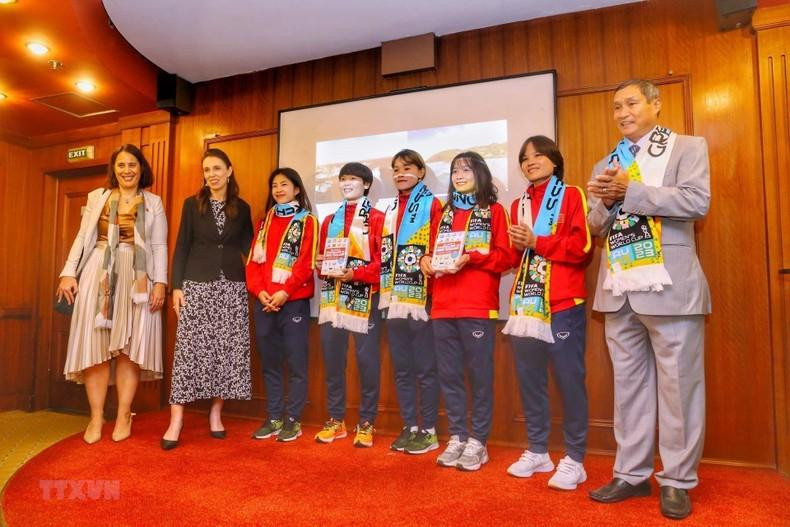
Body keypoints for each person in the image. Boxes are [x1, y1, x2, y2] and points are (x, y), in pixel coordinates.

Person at [585, 79, 711, 519]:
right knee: (629, 388)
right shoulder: (607, 161)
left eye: (631, 103)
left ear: (655, 104)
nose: (622, 112)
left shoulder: (687, 147)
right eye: (616, 105)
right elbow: (596, 226)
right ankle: (631, 474)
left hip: (670, 289)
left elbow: (697, 201)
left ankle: (677, 480)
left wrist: (629, 192)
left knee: (680, 389)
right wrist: (601, 200)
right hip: (620, 290)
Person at [56, 144, 167, 444]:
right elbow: (82, 237)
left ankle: (122, 414)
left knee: (129, 350)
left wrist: (161, 282)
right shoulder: (98, 197)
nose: (127, 170)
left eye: (132, 164)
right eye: (121, 165)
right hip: (99, 269)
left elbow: (159, 245)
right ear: (114, 169)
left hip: (138, 276)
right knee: (96, 349)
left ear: (141, 168)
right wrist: (68, 272)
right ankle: (95, 417)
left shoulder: (154, 202)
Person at [503, 136, 592, 489]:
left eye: (538, 155)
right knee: (531, 382)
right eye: (525, 158)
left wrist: (538, 241)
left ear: (555, 160)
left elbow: (582, 248)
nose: (530, 162)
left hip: (563, 305)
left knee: (570, 383)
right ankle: (538, 451)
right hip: (525, 307)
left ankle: (575, 458)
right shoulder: (517, 204)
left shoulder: (571, 195)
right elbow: (514, 259)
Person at [420, 151, 511, 471]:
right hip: (442, 307)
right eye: (455, 170)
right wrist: (426, 262)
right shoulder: (443, 214)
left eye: (466, 169)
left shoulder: (495, 211)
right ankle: (458, 435)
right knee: (450, 375)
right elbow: (429, 253)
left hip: (478, 305)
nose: (459, 175)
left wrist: (472, 257)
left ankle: (478, 441)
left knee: (480, 376)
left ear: (480, 174)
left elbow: (506, 258)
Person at [161, 148, 254, 450]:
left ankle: (216, 413)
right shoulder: (192, 205)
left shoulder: (242, 207)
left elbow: (251, 248)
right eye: (206, 169)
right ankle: (176, 420)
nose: (211, 174)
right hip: (196, 285)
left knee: (225, 351)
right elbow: (181, 247)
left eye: (217, 168)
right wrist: (176, 287)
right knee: (188, 352)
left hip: (232, 288)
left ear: (229, 170)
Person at [315, 162, 384, 448]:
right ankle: (336, 419)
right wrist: (321, 265)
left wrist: (357, 273)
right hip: (332, 299)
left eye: (353, 178)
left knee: (368, 363)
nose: (347, 183)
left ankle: (367, 422)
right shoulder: (329, 220)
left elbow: (385, 264)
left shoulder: (378, 218)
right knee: (333, 362)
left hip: (365, 298)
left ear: (365, 184)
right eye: (342, 179)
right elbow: (321, 264)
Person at [246, 168, 318, 442]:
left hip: (293, 303)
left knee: (296, 363)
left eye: (284, 184)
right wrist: (260, 291)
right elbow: (253, 263)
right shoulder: (263, 223)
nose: (278, 189)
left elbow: (305, 265)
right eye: (274, 185)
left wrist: (285, 292)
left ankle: (293, 420)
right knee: (270, 364)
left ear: (297, 189)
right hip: (264, 302)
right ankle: (274, 416)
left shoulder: (308, 221)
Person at [379, 149, 443, 454]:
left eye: (406, 168)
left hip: (422, 297)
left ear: (421, 171)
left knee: (425, 367)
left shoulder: (433, 204)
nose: (399, 173)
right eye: (395, 169)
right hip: (392, 298)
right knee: (402, 367)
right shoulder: (390, 209)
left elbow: (438, 246)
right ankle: (410, 425)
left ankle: (428, 429)